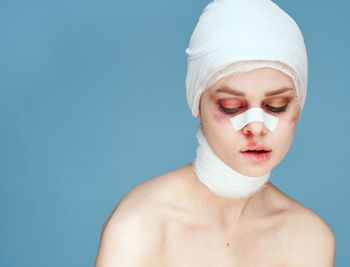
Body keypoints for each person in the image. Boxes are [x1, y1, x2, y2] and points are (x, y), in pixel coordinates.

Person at [95, 0, 336, 266]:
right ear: (197, 104)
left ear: (299, 107)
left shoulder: (309, 238)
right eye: (231, 107)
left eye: (275, 106)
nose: (256, 126)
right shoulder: (139, 226)